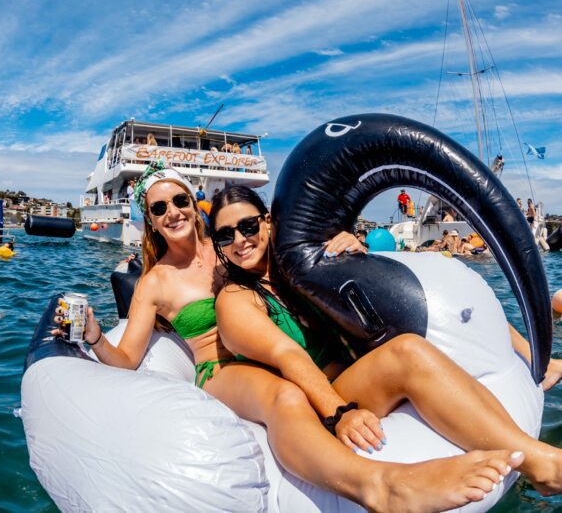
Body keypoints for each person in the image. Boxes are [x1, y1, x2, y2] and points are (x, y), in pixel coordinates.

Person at [55, 164, 536, 511]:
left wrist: (350, 246)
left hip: (293, 360)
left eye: (180, 200)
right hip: (223, 369)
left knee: (404, 351)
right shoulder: (156, 281)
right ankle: (382, 487)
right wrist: (95, 337)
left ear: (194, 204)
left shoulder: (231, 245)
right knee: (284, 394)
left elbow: (304, 264)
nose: (174, 212)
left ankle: (536, 460)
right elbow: (128, 357)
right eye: (160, 208)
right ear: (151, 220)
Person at [209, 185, 562, 498]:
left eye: (248, 226)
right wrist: (340, 413)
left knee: (424, 342)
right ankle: (544, 466)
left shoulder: (303, 268)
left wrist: (354, 255)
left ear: (268, 222)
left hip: (356, 377)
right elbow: (289, 356)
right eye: (225, 235)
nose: (240, 240)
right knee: (406, 352)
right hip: (320, 400)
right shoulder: (236, 299)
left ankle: (530, 455)